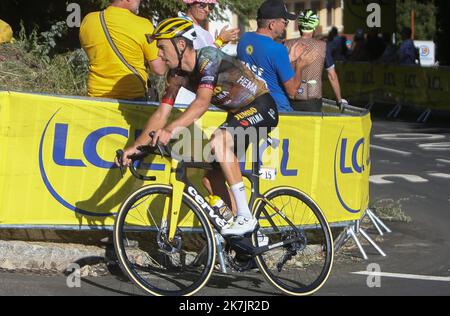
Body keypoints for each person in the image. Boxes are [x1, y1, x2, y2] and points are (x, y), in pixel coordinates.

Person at [117, 18, 279, 236]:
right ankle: (247, 238)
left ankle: (246, 217)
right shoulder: (175, 76)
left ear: (181, 45)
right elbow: (161, 113)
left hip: (261, 106)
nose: (159, 54)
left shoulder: (208, 58)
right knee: (211, 179)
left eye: (162, 47)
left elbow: (202, 103)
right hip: (239, 115)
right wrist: (136, 148)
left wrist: (170, 130)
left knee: (219, 139)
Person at [79, 0, 166, 100]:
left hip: (96, 97)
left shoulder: (89, 20)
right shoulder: (143, 25)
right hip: (132, 97)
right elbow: (159, 69)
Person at [237, 0, 314, 112]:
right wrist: (300, 66)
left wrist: (289, 59)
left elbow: (263, 66)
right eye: (285, 22)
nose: (285, 26)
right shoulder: (277, 49)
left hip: (250, 108)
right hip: (277, 111)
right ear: (272, 24)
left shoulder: (244, 39)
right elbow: (292, 91)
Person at [285, 10, 346, 112]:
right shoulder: (323, 46)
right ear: (315, 26)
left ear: (299, 26)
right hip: (313, 101)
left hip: (291, 99)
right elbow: (332, 75)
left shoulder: (286, 45)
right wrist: (339, 99)